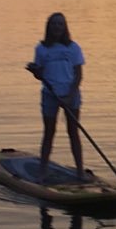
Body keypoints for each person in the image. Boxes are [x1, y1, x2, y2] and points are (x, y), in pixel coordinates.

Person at [26, 12, 86, 181]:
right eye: (54, 24)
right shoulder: (41, 48)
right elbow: (40, 74)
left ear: (64, 27)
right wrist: (35, 71)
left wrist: (69, 95)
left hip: (71, 95)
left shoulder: (73, 48)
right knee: (49, 132)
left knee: (73, 132)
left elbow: (78, 75)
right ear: (49, 27)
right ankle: (42, 171)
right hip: (50, 94)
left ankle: (80, 172)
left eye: (60, 24)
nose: (57, 27)